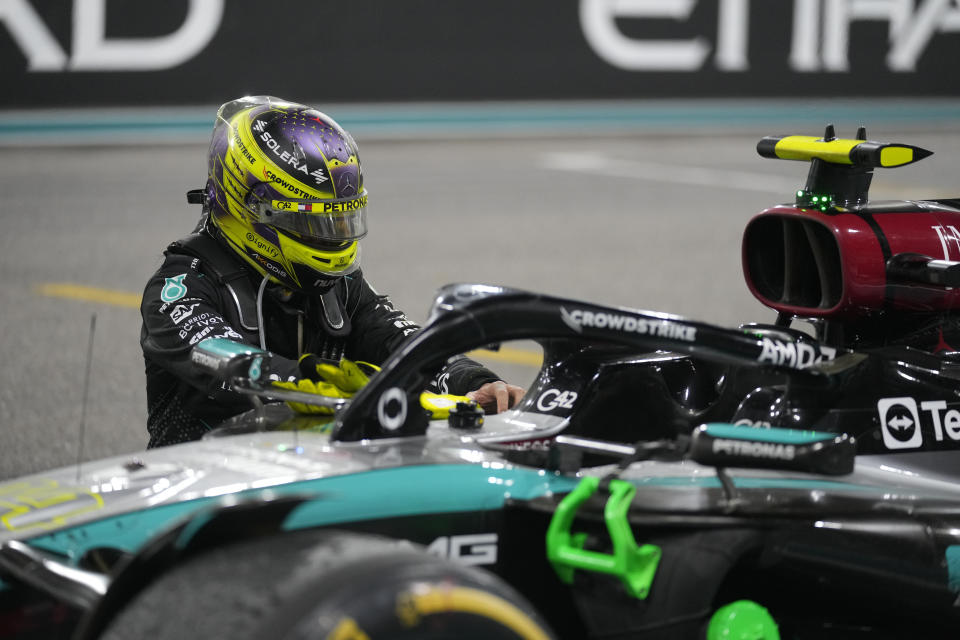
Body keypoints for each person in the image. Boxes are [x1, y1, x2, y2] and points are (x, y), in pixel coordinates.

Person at [140, 95, 522, 447]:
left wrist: (473, 381)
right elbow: (236, 367)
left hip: (309, 476)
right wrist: (345, 390)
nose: (331, 240)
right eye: (314, 224)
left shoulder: (338, 286)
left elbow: (400, 341)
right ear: (251, 207)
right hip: (202, 489)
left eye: (339, 222)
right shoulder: (181, 288)